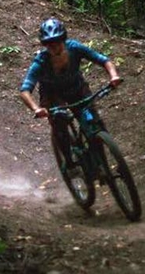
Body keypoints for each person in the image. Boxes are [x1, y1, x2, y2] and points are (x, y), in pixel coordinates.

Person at [18, 17, 121, 172]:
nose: (53, 46)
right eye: (48, 43)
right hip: (53, 95)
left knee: (94, 122)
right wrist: (36, 109)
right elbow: (25, 90)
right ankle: (69, 163)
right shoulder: (40, 62)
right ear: (44, 44)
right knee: (59, 121)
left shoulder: (75, 48)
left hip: (77, 88)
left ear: (63, 39)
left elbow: (103, 60)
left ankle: (104, 162)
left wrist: (113, 76)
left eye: (57, 41)